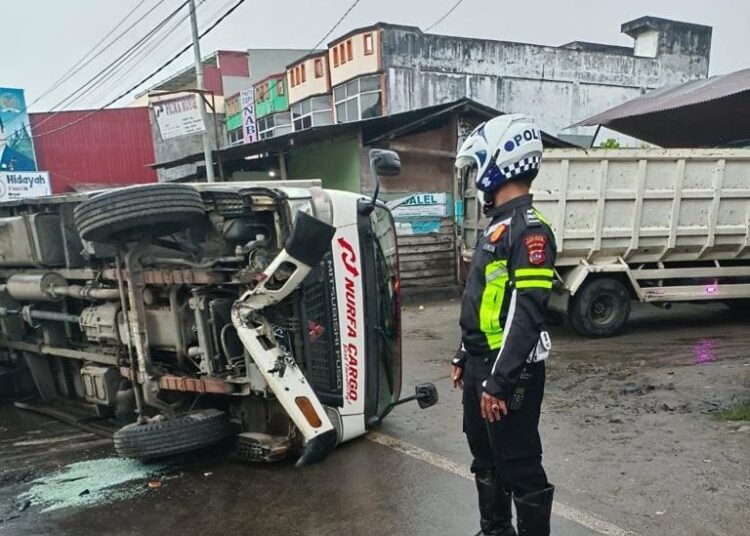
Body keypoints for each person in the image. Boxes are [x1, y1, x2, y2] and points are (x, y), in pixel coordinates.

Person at [452, 114, 556, 536]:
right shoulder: (495, 225)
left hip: (509, 371)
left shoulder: (530, 232)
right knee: (486, 458)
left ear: (499, 162)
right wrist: (464, 351)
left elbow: (526, 314)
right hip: (482, 363)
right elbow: (484, 303)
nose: (478, 178)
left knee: (519, 464)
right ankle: (494, 531)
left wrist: (499, 381)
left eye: (479, 167)